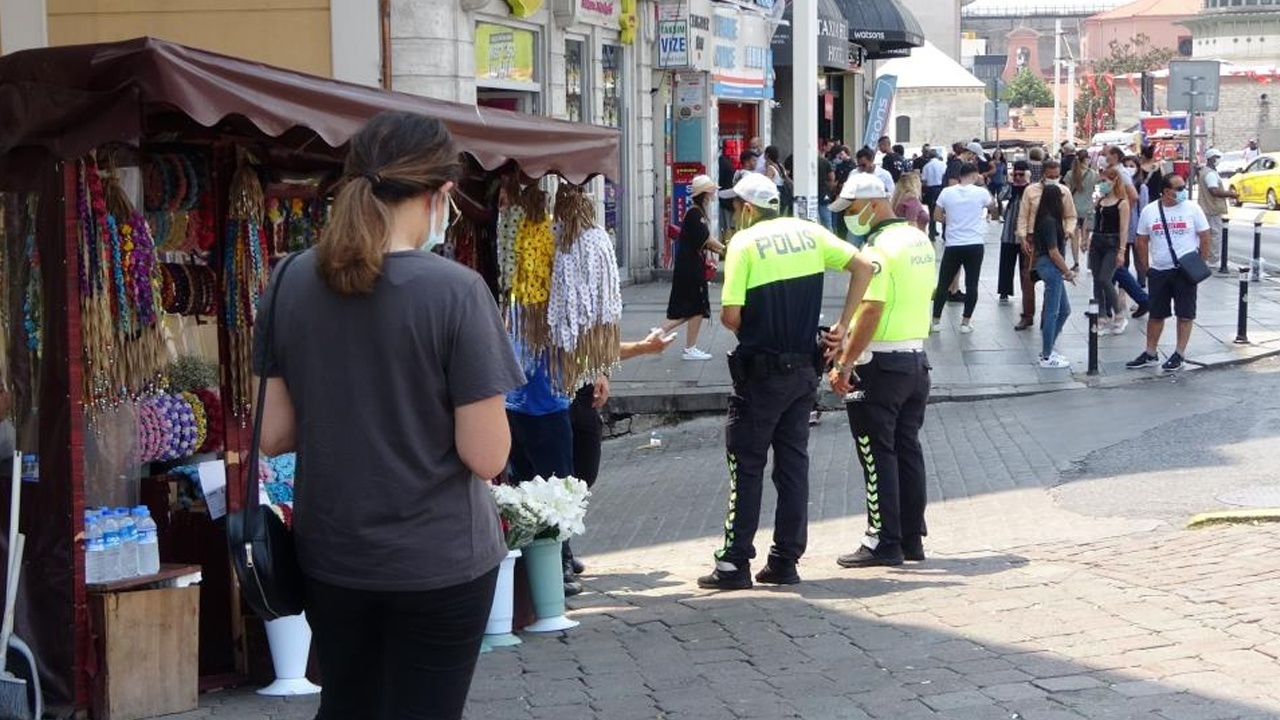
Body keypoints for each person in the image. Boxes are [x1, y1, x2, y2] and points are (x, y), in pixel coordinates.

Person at [252, 111, 526, 720]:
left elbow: (273, 436)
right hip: (440, 560)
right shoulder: (457, 292)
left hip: (333, 556)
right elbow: (488, 456)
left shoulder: (289, 280)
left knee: (348, 707)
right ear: (442, 195)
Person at [698, 173, 875, 590]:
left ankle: (734, 562)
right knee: (793, 465)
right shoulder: (810, 232)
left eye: (733, 207)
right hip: (803, 372)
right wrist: (842, 325)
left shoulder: (744, 243)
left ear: (746, 209)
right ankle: (785, 560)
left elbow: (729, 316)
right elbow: (864, 266)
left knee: (747, 464)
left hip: (759, 374)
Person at [826, 173, 936, 568]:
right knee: (907, 450)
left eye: (851, 209)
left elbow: (871, 309)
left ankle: (882, 540)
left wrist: (844, 362)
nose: (848, 218)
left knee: (876, 455)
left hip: (880, 365)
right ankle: (911, 538)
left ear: (872, 204)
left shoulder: (878, 249)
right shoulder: (918, 238)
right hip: (915, 361)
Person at [1127, 174, 1212, 373]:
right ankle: (1150, 352)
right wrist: (1146, 268)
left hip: (1185, 270)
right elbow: (1141, 240)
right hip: (1160, 270)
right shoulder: (1150, 211)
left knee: (1185, 314)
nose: (1183, 191)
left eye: (1184, 186)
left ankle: (1179, 353)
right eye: (1179, 188)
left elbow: (1205, 236)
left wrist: (1201, 263)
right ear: (1166, 191)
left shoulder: (1193, 209)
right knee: (1156, 314)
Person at [662, 174, 727, 360]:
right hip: (691, 266)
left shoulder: (695, 212)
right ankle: (689, 349)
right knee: (696, 307)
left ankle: (661, 331)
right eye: (712, 190)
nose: (714, 193)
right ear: (705, 193)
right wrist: (725, 250)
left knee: (691, 307)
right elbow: (706, 240)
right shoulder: (695, 214)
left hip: (689, 264)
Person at [930, 162, 994, 333]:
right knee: (972, 284)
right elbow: (993, 208)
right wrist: (982, 185)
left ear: (960, 175)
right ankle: (965, 322)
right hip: (974, 244)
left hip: (953, 244)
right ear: (975, 175)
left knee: (943, 283)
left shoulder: (947, 192)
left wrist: (949, 220)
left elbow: (936, 215)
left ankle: (935, 321)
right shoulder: (981, 192)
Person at [1015, 159, 1076, 331]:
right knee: (1028, 279)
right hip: (1033, 238)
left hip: (1056, 239)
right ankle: (1027, 316)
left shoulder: (1064, 191)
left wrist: (1069, 231)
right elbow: (1023, 216)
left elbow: (1071, 216)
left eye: (1057, 176)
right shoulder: (1030, 191)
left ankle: (1047, 318)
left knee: (1053, 279)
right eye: (1050, 176)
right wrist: (1022, 237)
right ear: (1043, 174)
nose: (1053, 179)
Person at [1031, 184, 1076, 368]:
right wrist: (1067, 271)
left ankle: (1048, 347)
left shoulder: (1045, 219)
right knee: (1052, 311)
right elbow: (1053, 251)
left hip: (1048, 266)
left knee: (1064, 310)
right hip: (1051, 267)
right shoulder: (1049, 221)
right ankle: (1047, 355)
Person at [1091, 166, 1131, 334]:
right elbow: (1092, 220)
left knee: (1105, 279)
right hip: (1097, 241)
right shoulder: (1100, 201)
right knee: (1096, 280)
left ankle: (1119, 313)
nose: (1102, 184)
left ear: (1115, 181)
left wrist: (1122, 251)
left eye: (1104, 181)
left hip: (1112, 243)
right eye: (1100, 181)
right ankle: (1101, 316)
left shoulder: (1122, 203)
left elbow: (1124, 229)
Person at [997, 159, 1032, 304]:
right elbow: (1000, 197)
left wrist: (1027, 182)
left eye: (1021, 174)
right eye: (1015, 174)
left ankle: (1027, 291)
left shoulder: (1031, 189)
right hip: (1009, 233)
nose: (1018, 177)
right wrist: (1010, 183)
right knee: (1006, 264)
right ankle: (1004, 291)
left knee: (1025, 267)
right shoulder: (1011, 187)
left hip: (1024, 235)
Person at [1197, 148, 1238, 264]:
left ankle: (1207, 258)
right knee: (1214, 235)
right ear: (1211, 158)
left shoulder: (1206, 171)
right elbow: (1214, 191)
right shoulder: (1210, 174)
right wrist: (1231, 194)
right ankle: (1212, 260)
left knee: (1209, 234)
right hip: (1212, 208)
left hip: (1206, 207)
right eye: (1217, 157)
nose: (1218, 160)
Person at [1068, 149, 1098, 272]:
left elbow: (1067, 193)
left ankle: (1076, 263)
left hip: (1073, 208)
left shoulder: (1070, 174)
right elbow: (1099, 188)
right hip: (1088, 208)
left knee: (1074, 237)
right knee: (1088, 237)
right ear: (1086, 159)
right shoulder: (1093, 174)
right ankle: (1090, 264)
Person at [921, 147, 947, 241]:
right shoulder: (943, 165)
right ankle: (945, 233)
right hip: (941, 189)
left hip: (930, 190)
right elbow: (946, 176)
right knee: (944, 211)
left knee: (932, 212)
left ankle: (932, 233)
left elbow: (924, 180)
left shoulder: (926, 166)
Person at [764, 146, 794, 216]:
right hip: (783, 192)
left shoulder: (770, 168)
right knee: (781, 212)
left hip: (775, 192)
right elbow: (786, 178)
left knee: (774, 214)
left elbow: (767, 182)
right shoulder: (780, 165)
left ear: (767, 155)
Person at [718, 143, 737, 238]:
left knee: (727, 225)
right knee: (728, 225)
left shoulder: (721, 162)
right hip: (728, 200)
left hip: (725, 200)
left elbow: (720, 182)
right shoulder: (725, 161)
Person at [989, 149, 1008, 216]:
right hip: (992, 183)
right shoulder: (991, 163)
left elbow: (1005, 174)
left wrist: (1006, 183)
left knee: (1000, 199)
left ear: (1001, 155)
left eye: (999, 153)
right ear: (994, 154)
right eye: (996, 153)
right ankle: (991, 215)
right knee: (991, 199)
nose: (997, 155)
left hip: (1000, 183)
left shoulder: (1003, 164)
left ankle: (1000, 215)